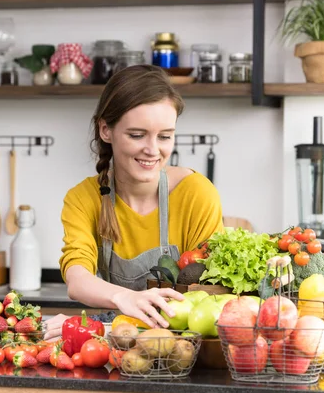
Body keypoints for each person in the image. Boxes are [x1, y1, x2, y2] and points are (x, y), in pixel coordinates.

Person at [43, 65, 224, 340]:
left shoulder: (196, 194)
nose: (153, 150)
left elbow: (212, 292)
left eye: (164, 136)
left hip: (184, 343)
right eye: (137, 135)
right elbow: (77, 280)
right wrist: (123, 300)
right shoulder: (83, 199)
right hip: (119, 340)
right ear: (106, 130)